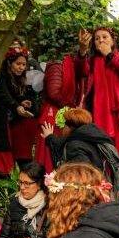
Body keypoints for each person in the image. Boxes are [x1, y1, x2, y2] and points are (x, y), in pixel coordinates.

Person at [78, 27, 119, 174]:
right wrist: (82, 51)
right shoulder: (92, 61)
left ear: (113, 40)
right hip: (99, 117)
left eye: (105, 37)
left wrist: (110, 55)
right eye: (97, 38)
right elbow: (81, 71)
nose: (101, 40)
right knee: (105, 157)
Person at [34, 41, 81, 171]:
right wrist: (70, 105)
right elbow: (54, 93)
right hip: (52, 115)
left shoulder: (65, 67)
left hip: (57, 113)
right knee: (49, 151)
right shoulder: (57, 67)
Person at [39, 107, 113, 170]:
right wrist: (50, 138)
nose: (63, 129)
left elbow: (81, 175)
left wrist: (50, 138)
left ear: (69, 127)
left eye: (64, 125)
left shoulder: (75, 146)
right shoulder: (97, 138)